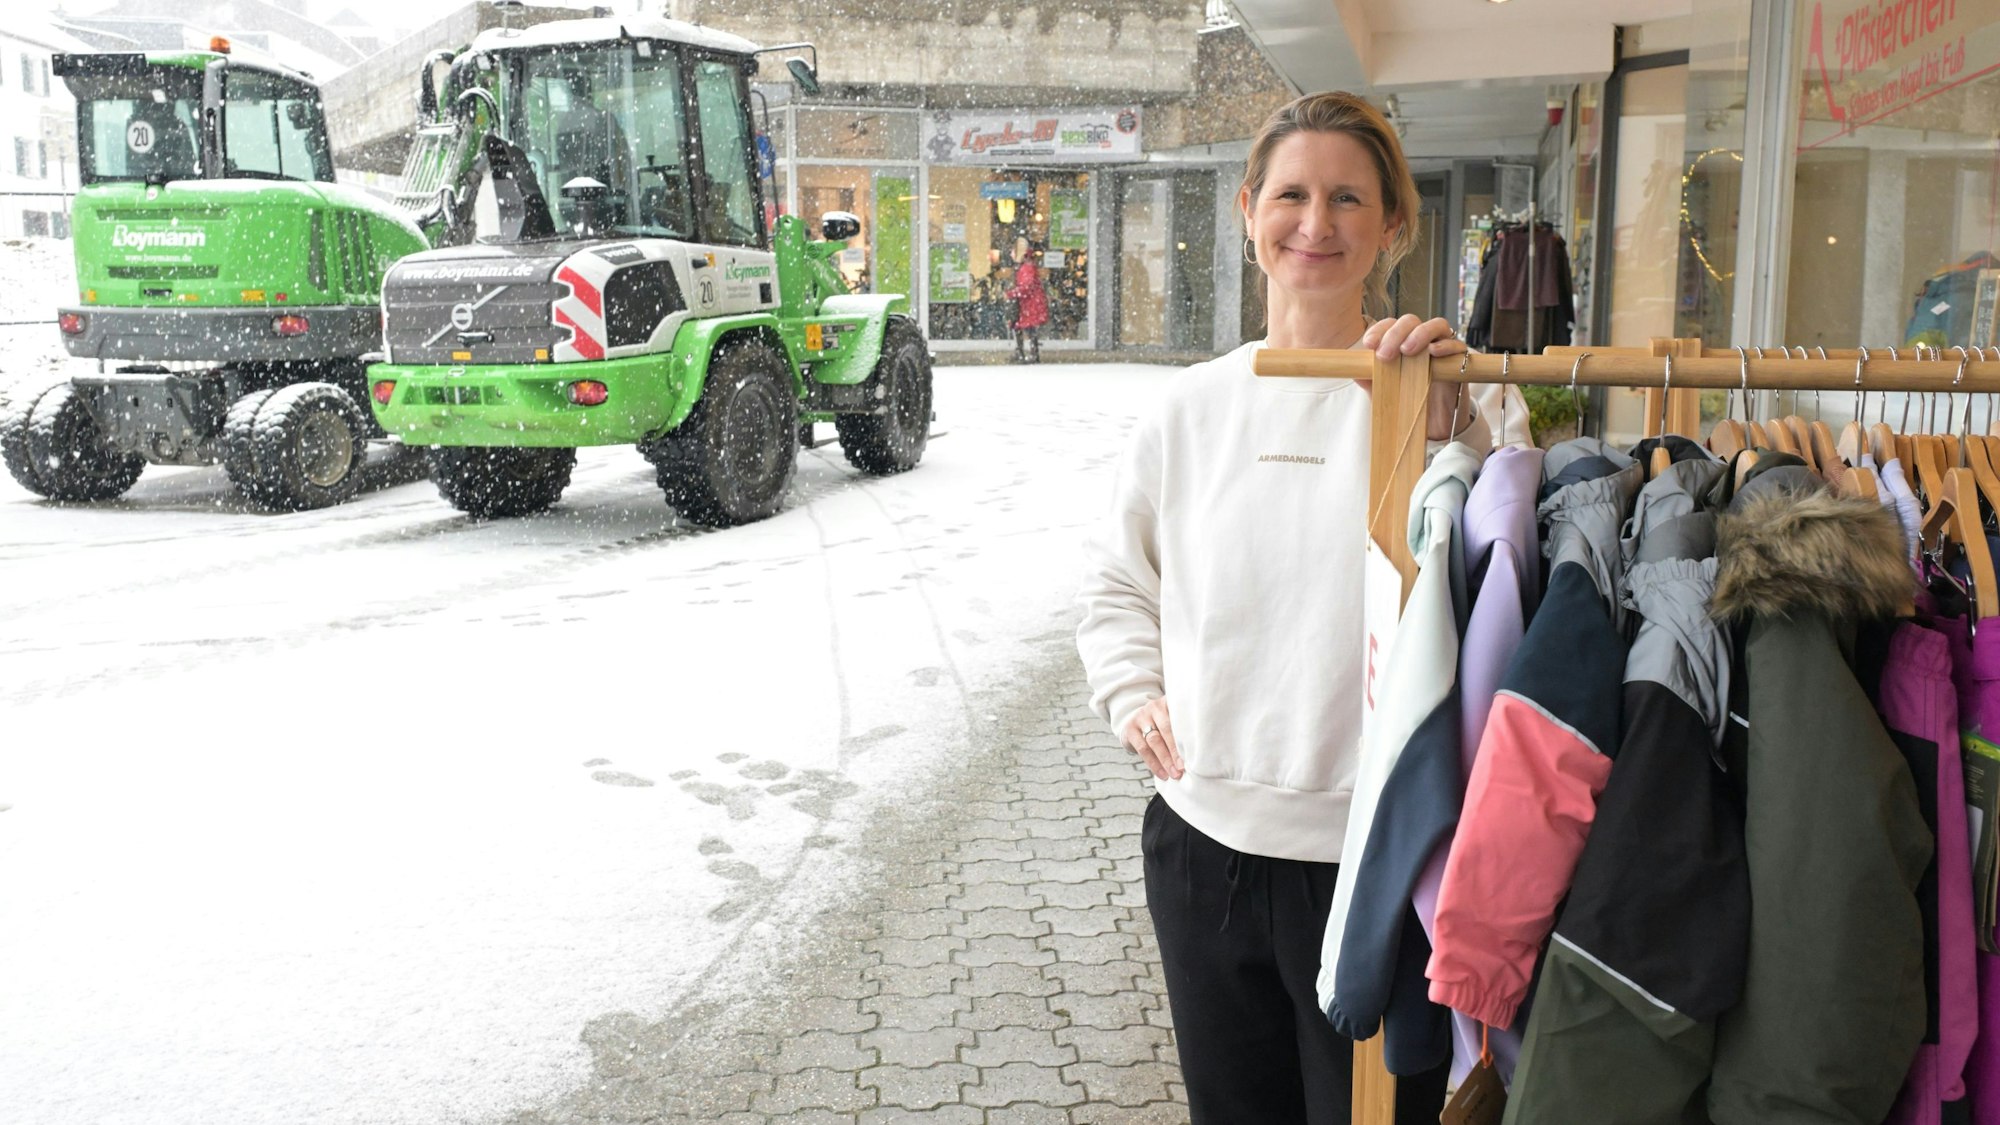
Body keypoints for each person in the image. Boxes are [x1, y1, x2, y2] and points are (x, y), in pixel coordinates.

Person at [1075, 91, 1481, 1125]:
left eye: (1348, 198)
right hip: (1201, 841)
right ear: (1249, 210)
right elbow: (1121, 584)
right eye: (1291, 195)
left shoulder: (1439, 396)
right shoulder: (1189, 408)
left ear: (1391, 225)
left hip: (1380, 857)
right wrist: (1132, 693)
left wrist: (1446, 424)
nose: (1316, 223)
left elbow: (1482, 575)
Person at [1007, 236, 1049, 363]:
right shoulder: (1025, 266)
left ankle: (1030, 353)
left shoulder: (1026, 267)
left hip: (1030, 303)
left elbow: (1026, 287)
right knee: (1022, 327)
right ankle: (1026, 352)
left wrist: (1011, 294)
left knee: (1028, 328)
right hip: (1028, 303)